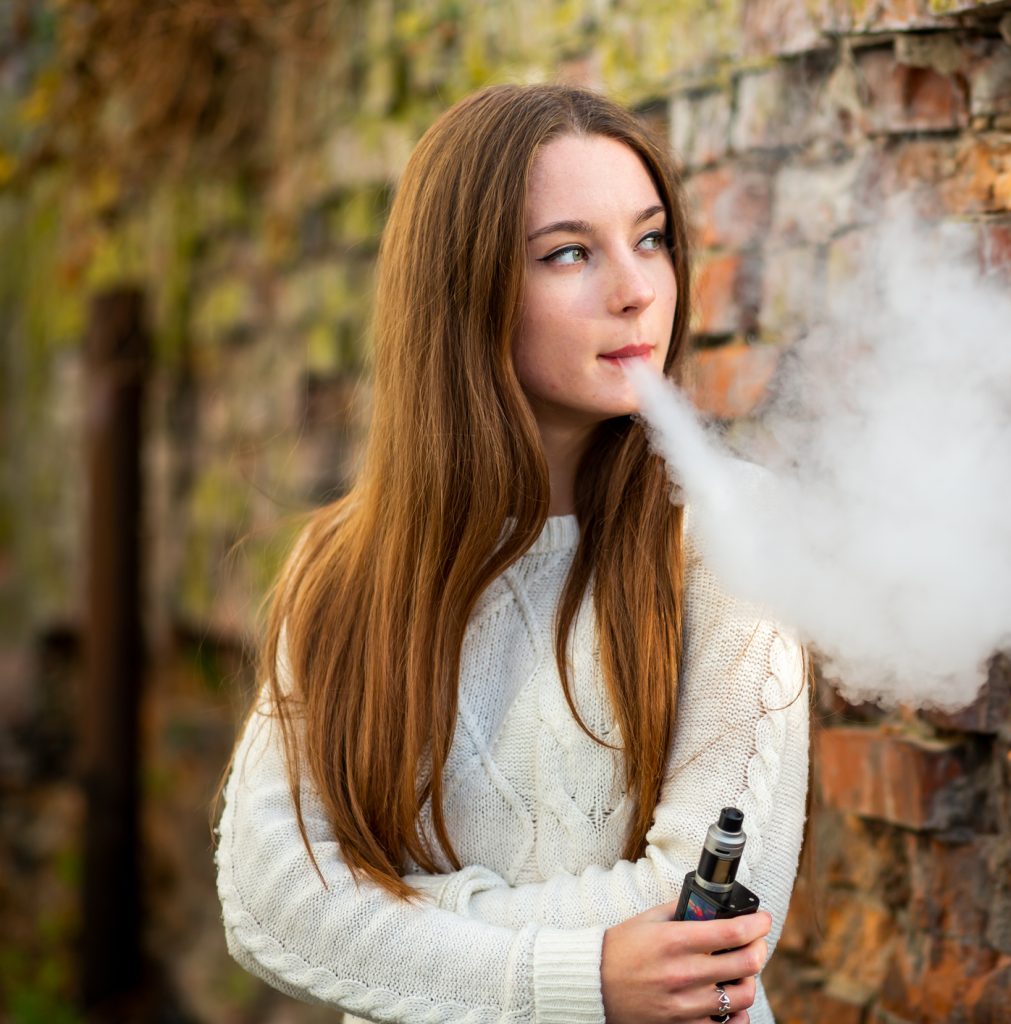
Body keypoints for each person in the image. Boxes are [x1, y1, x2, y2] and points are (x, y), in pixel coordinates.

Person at [213, 83, 811, 1024]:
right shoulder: (346, 568)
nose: (637, 289)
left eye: (650, 237)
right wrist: (576, 979)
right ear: (465, 288)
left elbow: (710, 921)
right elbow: (275, 905)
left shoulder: (736, 534)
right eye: (570, 253)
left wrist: (405, 912)